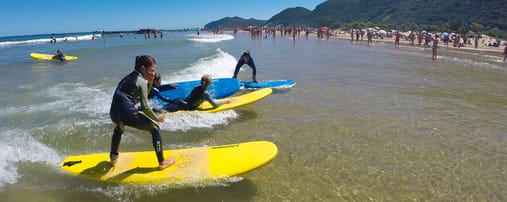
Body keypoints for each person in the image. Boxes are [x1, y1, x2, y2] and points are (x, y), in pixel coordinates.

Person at [109, 55, 175, 170]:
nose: (154, 74)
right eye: (152, 70)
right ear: (143, 69)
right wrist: (156, 118)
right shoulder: (141, 81)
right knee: (155, 128)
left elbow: (125, 95)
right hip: (127, 112)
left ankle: (113, 158)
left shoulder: (128, 77)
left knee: (118, 129)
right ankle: (162, 162)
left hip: (114, 112)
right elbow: (145, 107)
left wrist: (132, 104)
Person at [163, 74, 230, 112]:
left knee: (160, 108)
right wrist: (223, 102)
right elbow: (214, 105)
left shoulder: (196, 87)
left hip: (180, 100)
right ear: (209, 83)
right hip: (183, 106)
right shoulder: (205, 93)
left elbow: (191, 97)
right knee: (162, 111)